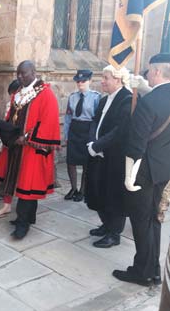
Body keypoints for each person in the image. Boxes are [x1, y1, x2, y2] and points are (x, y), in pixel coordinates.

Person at [112, 53, 170, 287]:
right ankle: (153, 269)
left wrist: (129, 176)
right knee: (153, 220)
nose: (146, 74)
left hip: (142, 171)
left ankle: (142, 272)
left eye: (148, 71)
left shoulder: (147, 103)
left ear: (156, 72)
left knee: (140, 221)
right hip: (163, 169)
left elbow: (135, 146)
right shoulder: (158, 96)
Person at [0, 60, 60, 239]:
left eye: (23, 73)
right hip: (16, 147)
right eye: (18, 74)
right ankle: (28, 217)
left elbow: (49, 121)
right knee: (18, 183)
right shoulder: (18, 92)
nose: (20, 76)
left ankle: (23, 224)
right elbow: (11, 116)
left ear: (34, 72)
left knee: (28, 186)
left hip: (30, 149)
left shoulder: (45, 94)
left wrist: (28, 138)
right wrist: (7, 133)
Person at [85, 65, 132, 248]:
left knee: (113, 195)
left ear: (118, 79)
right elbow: (95, 121)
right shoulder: (105, 100)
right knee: (99, 192)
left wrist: (97, 145)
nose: (102, 81)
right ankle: (106, 225)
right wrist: (91, 143)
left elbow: (120, 131)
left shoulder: (127, 100)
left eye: (106, 78)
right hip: (98, 154)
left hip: (114, 158)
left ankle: (114, 234)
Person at [63, 70, 101, 202]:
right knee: (70, 161)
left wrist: (93, 138)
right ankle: (73, 188)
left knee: (86, 162)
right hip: (75, 128)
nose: (80, 83)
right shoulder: (72, 97)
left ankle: (83, 190)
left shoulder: (96, 97)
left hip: (87, 129)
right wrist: (66, 135)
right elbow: (68, 117)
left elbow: (96, 119)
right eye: (78, 81)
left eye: (83, 81)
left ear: (90, 81)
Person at [0, 79, 21, 216]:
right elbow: (4, 130)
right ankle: (7, 205)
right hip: (10, 146)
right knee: (7, 175)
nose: (12, 97)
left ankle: (23, 205)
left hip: (23, 147)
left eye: (13, 93)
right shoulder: (10, 105)